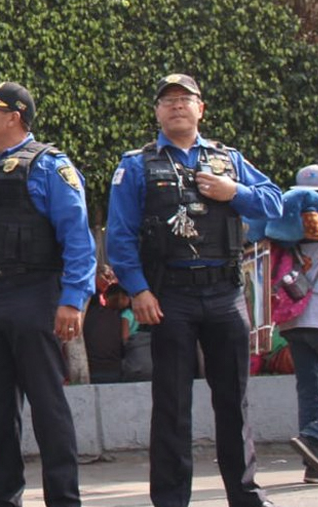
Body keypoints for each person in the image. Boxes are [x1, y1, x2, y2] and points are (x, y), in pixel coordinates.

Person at [106, 73, 281, 507]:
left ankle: (245, 496)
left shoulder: (229, 160)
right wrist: (140, 290)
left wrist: (234, 191)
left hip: (224, 293)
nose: (177, 105)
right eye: (167, 100)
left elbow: (274, 202)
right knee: (171, 405)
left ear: (201, 108)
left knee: (233, 402)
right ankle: (170, 500)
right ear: (157, 112)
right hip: (170, 298)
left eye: (185, 99)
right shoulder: (136, 165)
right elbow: (120, 237)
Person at [0, 82, 96, 507]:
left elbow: (77, 238)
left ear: (14, 116)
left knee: (48, 407)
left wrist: (72, 299)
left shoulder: (49, 166)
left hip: (35, 295)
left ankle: (64, 499)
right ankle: (3, 499)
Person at [283, 164, 318, 485]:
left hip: (294, 321)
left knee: (309, 390)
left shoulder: (287, 228)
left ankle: (313, 467)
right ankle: (311, 436)